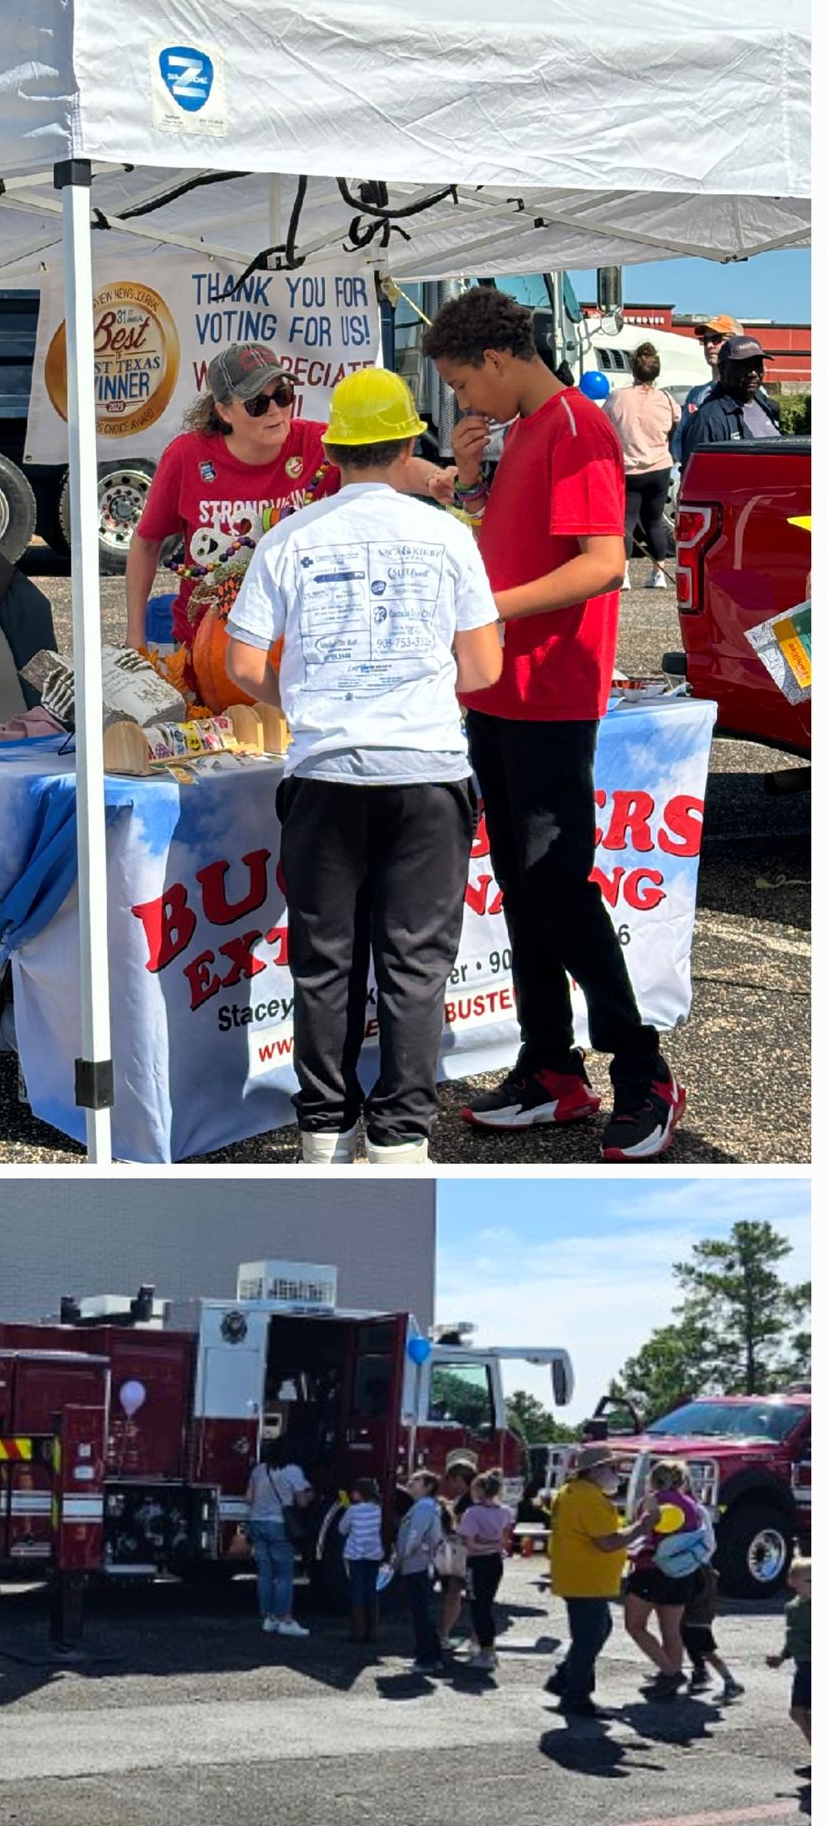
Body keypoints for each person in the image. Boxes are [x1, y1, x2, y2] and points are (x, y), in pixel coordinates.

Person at [427, 285, 684, 1160]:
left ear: (497, 361)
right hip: (500, 691)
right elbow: (507, 544)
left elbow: (606, 565)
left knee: (556, 880)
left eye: (464, 384)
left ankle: (641, 1069)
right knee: (524, 878)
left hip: (550, 692)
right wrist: (467, 480)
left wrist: (487, 608)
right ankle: (550, 1067)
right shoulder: (526, 431)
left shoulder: (578, 426)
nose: (464, 402)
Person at [226, 368, 502, 1166]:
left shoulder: (290, 538)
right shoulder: (450, 534)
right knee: (415, 962)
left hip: (323, 772)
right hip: (428, 771)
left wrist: (304, 697)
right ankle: (402, 1137)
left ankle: (323, 1130)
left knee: (324, 960)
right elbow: (481, 670)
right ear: (410, 443)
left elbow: (244, 664)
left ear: (335, 451)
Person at [124, 341, 454, 648]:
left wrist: (433, 480)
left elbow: (385, 463)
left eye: (282, 395)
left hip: (301, 641)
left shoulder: (318, 442)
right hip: (209, 641)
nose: (275, 411)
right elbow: (147, 542)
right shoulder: (187, 457)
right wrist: (136, 638)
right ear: (224, 412)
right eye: (257, 403)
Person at [544, 1443, 640, 1717]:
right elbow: (607, 1542)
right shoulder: (588, 1498)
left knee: (598, 1630)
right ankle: (576, 1697)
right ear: (595, 1471)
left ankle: (563, 1679)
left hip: (579, 1577)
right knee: (589, 1637)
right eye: (611, 1467)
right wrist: (640, 1527)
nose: (616, 1473)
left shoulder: (574, 1492)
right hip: (586, 1581)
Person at [621, 1457, 709, 1697]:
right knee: (671, 1629)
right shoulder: (691, 1505)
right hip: (682, 1573)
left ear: (654, 1479)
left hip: (651, 1571)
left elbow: (643, 1532)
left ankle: (671, 1673)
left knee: (635, 1626)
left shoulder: (651, 1503)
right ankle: (670, 1674)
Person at [602, 343, 678, 590]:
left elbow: (603, 423)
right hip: (659, 466)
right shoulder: (665, 398)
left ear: (632, 369)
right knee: (654, 521)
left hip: (629, 467)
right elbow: (676, 422)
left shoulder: (618, 397)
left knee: (627, 521)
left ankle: (623, 575)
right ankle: (659, 574)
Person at [677, 333, 781, 477]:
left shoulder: (765, 405)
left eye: (757, 365)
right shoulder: (707, 419)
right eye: (743, 366)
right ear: (723, 370)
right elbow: (696, 479)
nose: (753, 373)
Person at [244, 1439, 314, 1638]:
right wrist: (310, 1495)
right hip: (278, 1525)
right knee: (284, 1575)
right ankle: (285, 1619)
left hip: (256, 1522)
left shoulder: (259, 1470)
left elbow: (249, 1498)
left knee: (265, 1574)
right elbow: (301, 1502)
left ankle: (268, 1619)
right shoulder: (293, 1470)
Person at [458, 1471, 516, 1672]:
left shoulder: (472, 1513)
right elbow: (504, 1541)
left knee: (478, 1608)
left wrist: (485, 1545)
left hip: (477, 1564)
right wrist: (494, 1546)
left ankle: (487, 1651)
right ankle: (484, 1647)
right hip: (495, 1563)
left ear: (480, 1490)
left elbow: (469, 1544)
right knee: (487, 1606)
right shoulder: (506, 1512)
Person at [393, 1470, 447, 1673]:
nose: (410, 1482)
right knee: (422, 1612)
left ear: (428, 1486)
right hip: (420, 1565)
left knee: (421, 1613)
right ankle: (432, 1657)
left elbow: (414, 1536)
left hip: (418, 1566)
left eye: (416, 1480)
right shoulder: (424, 1505)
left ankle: (426, 1660)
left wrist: (398, 1560)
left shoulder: (423, 1506)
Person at [674, 314, 741, 463]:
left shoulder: (752, 394)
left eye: (716, 339)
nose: (709, 345)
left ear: (736, 343)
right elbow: (679, 441)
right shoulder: (696, 395)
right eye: (705, 340)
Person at [765, 1555, 810, 1771]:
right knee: (797, 1712)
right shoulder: (792, 1607)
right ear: (792, 1581)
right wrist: (781, 1657)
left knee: (806, 1711)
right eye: (808, 1580)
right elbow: (793, 1636)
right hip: (803, 1666)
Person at [436, 1451, 479, 1651]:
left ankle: (444, 1635)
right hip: (479, 1554)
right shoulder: (478, 1496)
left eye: (452, 1480)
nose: (449, 1485)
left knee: (455, 1594)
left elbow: (464, 1529)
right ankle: (476, 1640)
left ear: (460, 1479)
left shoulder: (466, 1501)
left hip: (466, 1554)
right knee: (475, 1598)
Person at [683, 1561, 744, 1702]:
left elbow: (695, 1595)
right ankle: (700, 1673)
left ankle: (730, 1682)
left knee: (707, 1651)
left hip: (696, 1617)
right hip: (698, 1617)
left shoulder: (697, 1570)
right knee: (693, 1648)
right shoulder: (706, 1570)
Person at [342, 1476, 386, 1647]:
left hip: (356, 1554)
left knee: (357, 1591)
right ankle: (372, 1631)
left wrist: (347, 1508)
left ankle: (358, 1631)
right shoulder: (377, 1509)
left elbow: (342, 1528)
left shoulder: (353, 1510)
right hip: (373, 1554)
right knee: (371, 1590)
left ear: (358, 1494)